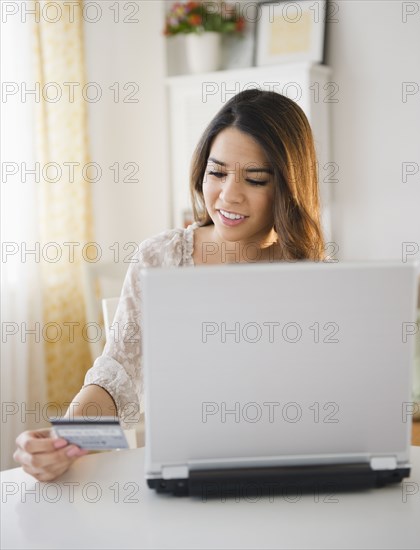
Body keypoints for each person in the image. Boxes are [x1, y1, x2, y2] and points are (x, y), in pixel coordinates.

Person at [13, 89, 325, 481]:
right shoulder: (160, 258)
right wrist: (66, 441)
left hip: (286, 472)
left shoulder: (313, 276)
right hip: (183, 472)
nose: (228, 195)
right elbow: (117, 376)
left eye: (256, 179)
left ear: (288, 187)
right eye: (217, 172)